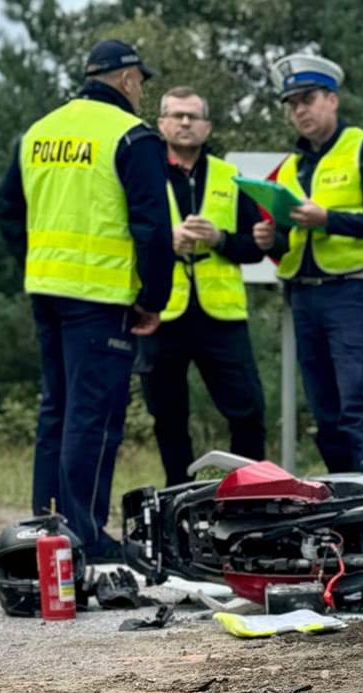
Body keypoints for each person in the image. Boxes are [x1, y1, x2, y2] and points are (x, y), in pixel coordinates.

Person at [0, 40, 174, 561]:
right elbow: (152, 227)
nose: (142, 91)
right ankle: (86, 538)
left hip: (48, 290)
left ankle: (47, 532)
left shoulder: (39, 132)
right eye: (141, 81)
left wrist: (36, 262)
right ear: (126, 79)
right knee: (93, 417)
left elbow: (7, 209)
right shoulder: (131, 136)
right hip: (100, 298)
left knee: (56, 409)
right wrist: (153, 298)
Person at [257, 53, 363, 472]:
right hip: (304, 297)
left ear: (332, 100)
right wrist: (270, 238)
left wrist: (328, 220)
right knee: (325, 413)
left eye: (308, 100)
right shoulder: (290, 167)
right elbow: (291, 237)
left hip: (351, 291)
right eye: (292, 104)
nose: (299, 111)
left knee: (358, 404)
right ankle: (344, 498)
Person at [138, 85, 271, 486]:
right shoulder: (142, 174)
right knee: (168, 416)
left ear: (207, 126)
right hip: (162, 310)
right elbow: (124, 236)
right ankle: (178, 497)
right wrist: (167, 241)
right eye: (176, 115)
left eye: (192, 116)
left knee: (249, 411)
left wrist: (219, 239)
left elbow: (256, 247)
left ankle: (248, 495)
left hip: (220, 315)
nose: (184, 123)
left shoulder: (231, 177)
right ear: (161, 123)